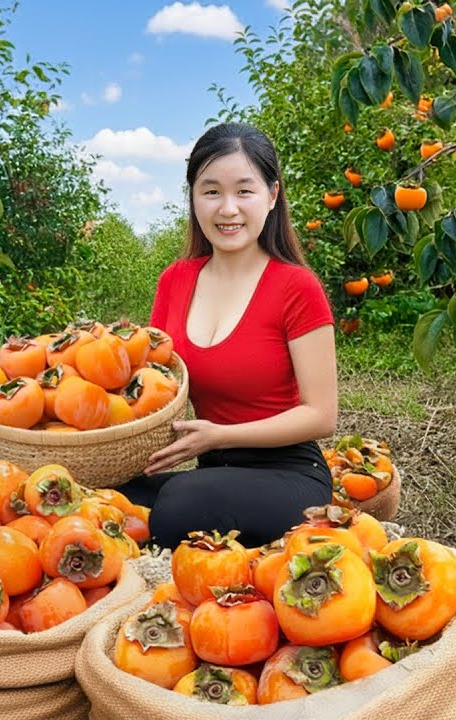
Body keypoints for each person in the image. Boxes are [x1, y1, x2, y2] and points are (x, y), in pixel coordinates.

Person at [120, 122, 338, 549]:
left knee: (181, 503)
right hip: (214, 472)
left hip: (288, 475)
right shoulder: (175, 280)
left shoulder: (296, 287)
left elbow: (321, 416)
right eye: (211, 191)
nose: (228, 209)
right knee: (108, 501)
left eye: (244, 190)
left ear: (272, 196)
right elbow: (158, 385)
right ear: (193, 199)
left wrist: (221, 435)